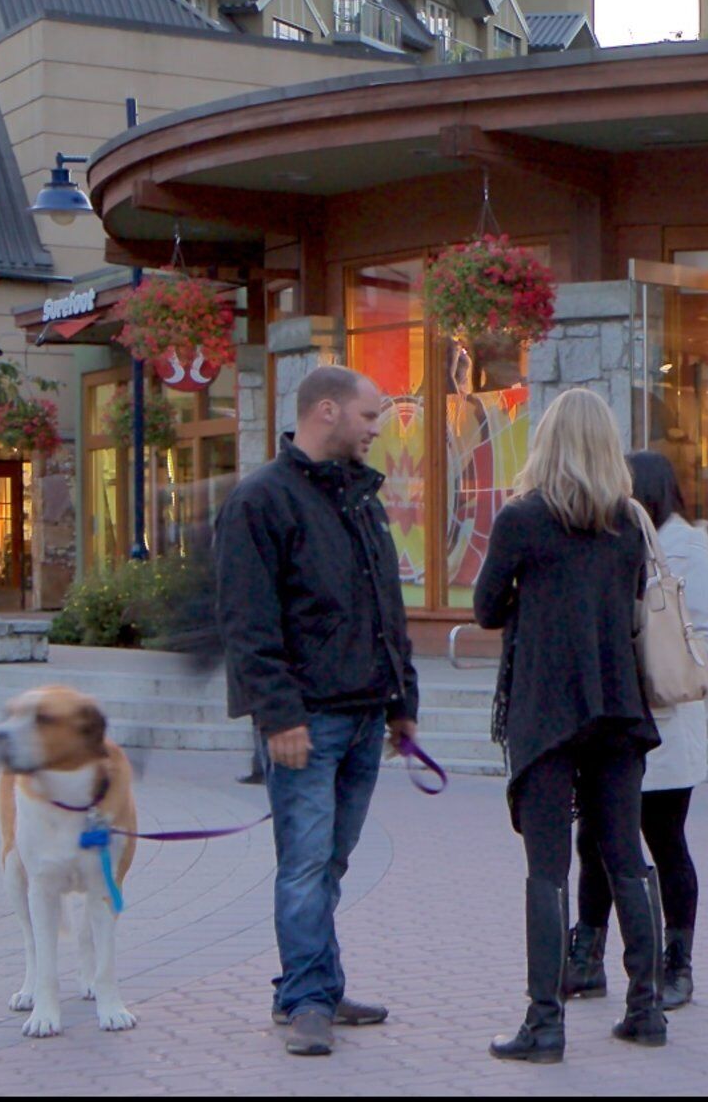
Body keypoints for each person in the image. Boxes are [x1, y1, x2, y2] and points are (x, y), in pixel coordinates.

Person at [213, 363, 423, 1058]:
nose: (375, 432)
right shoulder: (261, 501)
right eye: (368, 418)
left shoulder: (360, 499)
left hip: (364, 713)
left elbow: (386, 607)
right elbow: (248, 622)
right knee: (304, 864)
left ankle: (316, 987)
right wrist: (278, 717)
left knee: (329, 862)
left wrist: (402, 704)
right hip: (306, 719)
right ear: (327, 411)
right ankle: (306, 1000)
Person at [475, 387, 667, 1061]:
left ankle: (545, 1021)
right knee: (624, 855)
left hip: (547, 707)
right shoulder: (630, 523)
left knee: (548, 867)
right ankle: (647, 1007)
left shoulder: (522, 519)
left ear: (547, 443)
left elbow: (485, 608)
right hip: (618, 706)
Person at [571, 452, 708, 1014]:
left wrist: (659, 661)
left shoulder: (686, 550)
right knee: (593, 840)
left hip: (665, 722)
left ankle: (676, 962)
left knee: (664, 841)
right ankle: (585, 956)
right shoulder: (614, 543)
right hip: (612, 721)